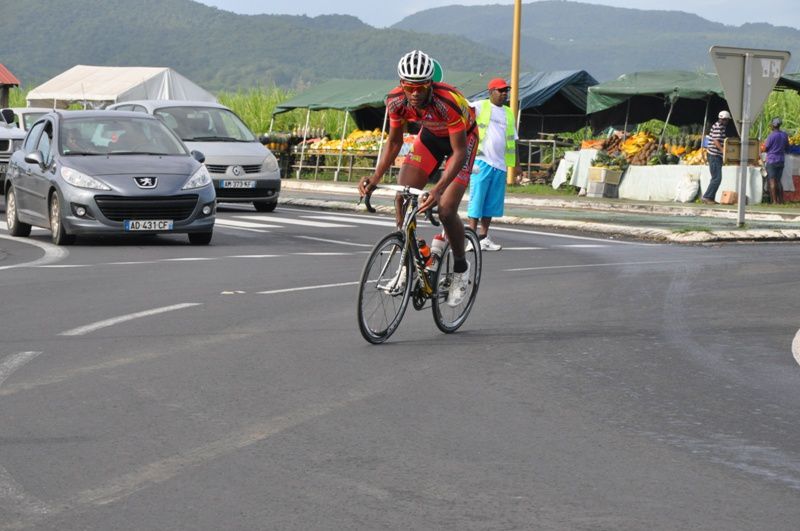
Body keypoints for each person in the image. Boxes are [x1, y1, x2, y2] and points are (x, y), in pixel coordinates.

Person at [358, 50, 478, 307]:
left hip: (462, 142)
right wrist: (375, 177)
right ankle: (409, 258)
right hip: (431, 138)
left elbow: (457, 154)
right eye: (409, 86)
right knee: (402, 194)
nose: (414, 93)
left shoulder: (448, 101)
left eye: (421, 87)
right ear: (402, 84)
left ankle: (460, 268)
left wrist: (437, 190)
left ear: (430, 84)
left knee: (446, 209)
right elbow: (394, 142)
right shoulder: (395, 101)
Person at [467, 78, 520, 251]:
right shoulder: (481, 106)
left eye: (506, 91)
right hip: (482, 162)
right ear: (491, 92)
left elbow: (513, 140)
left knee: (491, 203)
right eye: (501, 90)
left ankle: (483, 237)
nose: (505, 93)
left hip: (500, 165)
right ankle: (471, 237)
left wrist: (517, 165)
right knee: (477, 200)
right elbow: (463, 106)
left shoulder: (509, 113)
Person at [702, 110, 731, 204]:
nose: (727, 122)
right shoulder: (719, 127)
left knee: (715, 177)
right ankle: (707, 196)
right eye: (727, 120)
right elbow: (716, 141)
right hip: (714, 155)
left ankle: (710, 198)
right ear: (724, 119)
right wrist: (723, 150)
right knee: (717, 178)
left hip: (715, 155)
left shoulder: (718, 126)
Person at [763, 117, 789, 204]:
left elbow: (766, 148)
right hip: (781, 160)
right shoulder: (784, 135)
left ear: (773, 125)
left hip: (772, 160)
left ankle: (774, 201)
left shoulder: (771, 136)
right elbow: (787, 147)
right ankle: (781, 200)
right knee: (778, 181)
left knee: (772, 181)